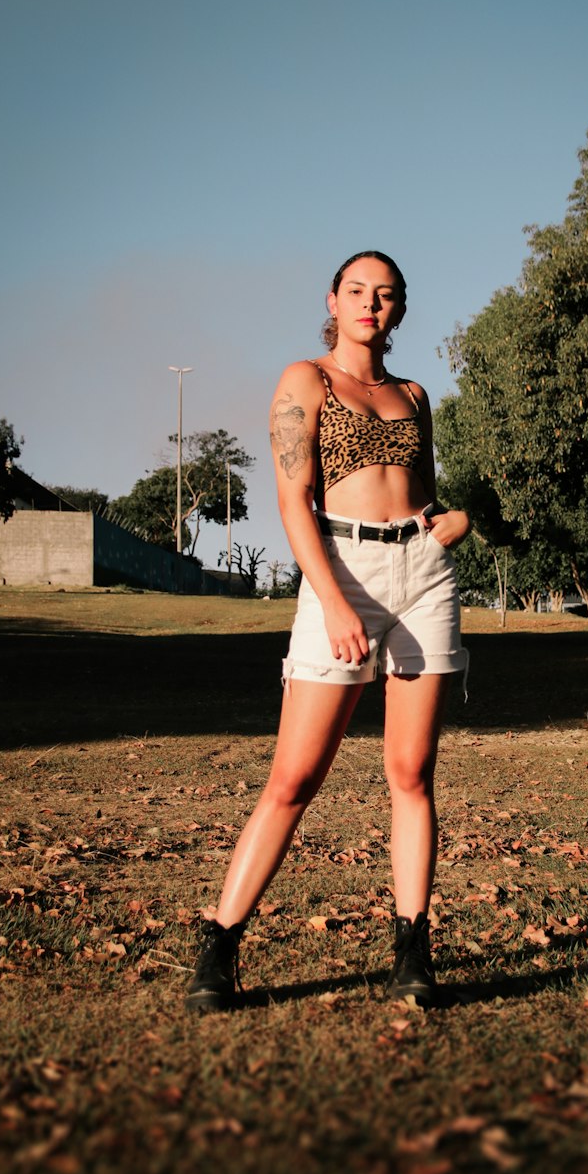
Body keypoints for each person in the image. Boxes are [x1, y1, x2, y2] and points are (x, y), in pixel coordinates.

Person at [186, 250, 470, 1014]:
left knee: (411, 773)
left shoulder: (413, 393)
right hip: (339, 572)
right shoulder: (303, 381)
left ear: (399, 309)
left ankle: (413, 951)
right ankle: (219, 944)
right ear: (333, 301)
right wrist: (334, 599)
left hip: (424, 575)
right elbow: (293, 502)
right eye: (357, 291)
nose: (370, 304)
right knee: (294, 779)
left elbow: (427, 491)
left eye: (385, 294)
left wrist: (457, 522)